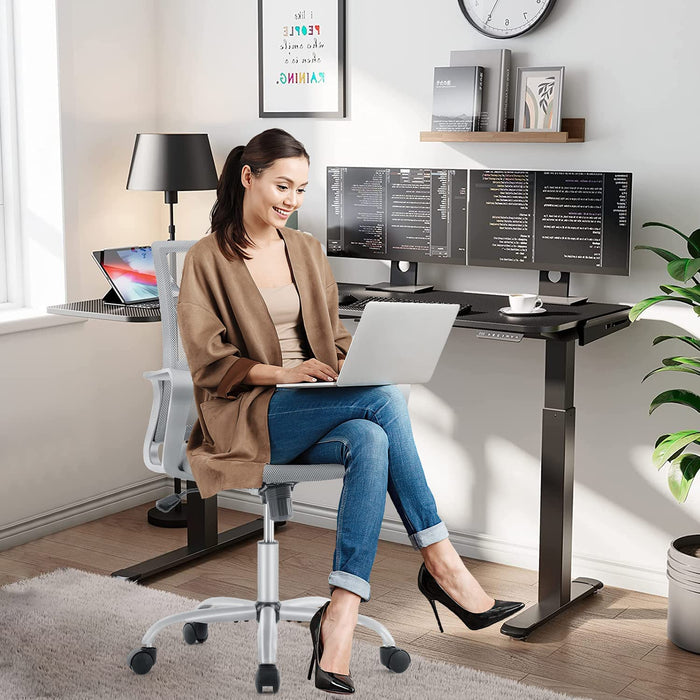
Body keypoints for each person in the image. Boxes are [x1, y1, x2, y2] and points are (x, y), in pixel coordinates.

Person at [177, 128, 524, 694]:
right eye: (281, 185)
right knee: (384, 400)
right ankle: (443, 565)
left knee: (370, 436)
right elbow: (208, 362)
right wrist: (285, 373)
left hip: (310, 403)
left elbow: (334, 338)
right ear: (248, 176)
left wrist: (347, 366)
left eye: (301, 189)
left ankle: (339, 615)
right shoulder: (207, 258)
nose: (291, 200)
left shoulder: (308, 250)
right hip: (248, 412)